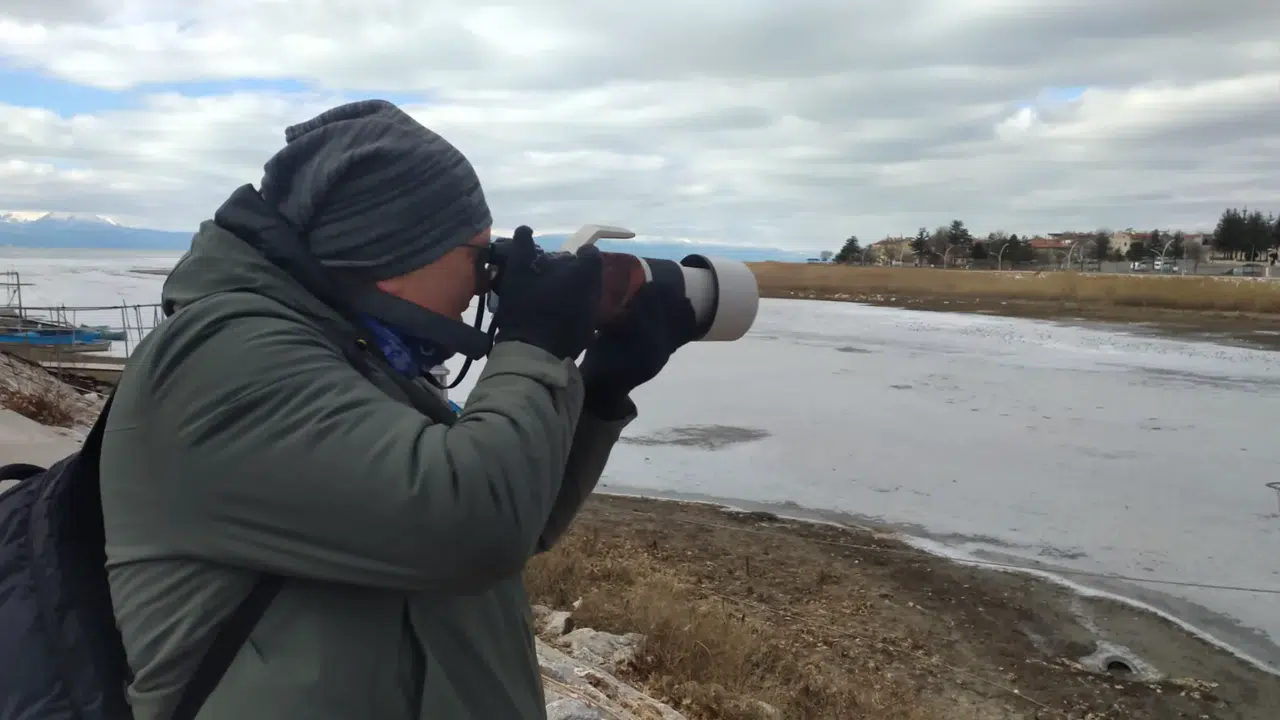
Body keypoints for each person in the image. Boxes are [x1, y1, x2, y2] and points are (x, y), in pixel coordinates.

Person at [98, 99, 697, 720]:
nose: (483, 286)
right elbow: (471, 524)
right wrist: (535, 345)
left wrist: (594, 393)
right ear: (390, 258)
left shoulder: (353, 358)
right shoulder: (221, 357)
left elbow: (518, 518)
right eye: (477, 257)